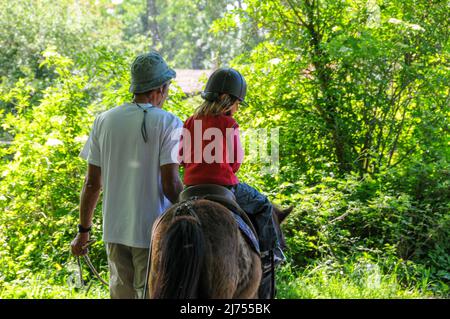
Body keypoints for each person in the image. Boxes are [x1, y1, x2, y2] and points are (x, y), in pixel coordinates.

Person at [71, 52, 183, 299]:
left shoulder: (104, 120)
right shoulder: (170, 123)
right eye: (168, 88)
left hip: (115, 230)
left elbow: (92, 184)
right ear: (160, 88)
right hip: (152, 231)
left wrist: (83, 230)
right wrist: (194, 209)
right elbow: (171, 185)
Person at [179, 68, 284, 298]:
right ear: (228, 100)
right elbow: (235, 164)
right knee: (264, 205)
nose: (237, 108)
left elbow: (181, 157)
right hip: (223, 187)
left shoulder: (190, 121)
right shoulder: (229, 124)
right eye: (237, 102)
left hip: (190, 190)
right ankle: (270, 256)